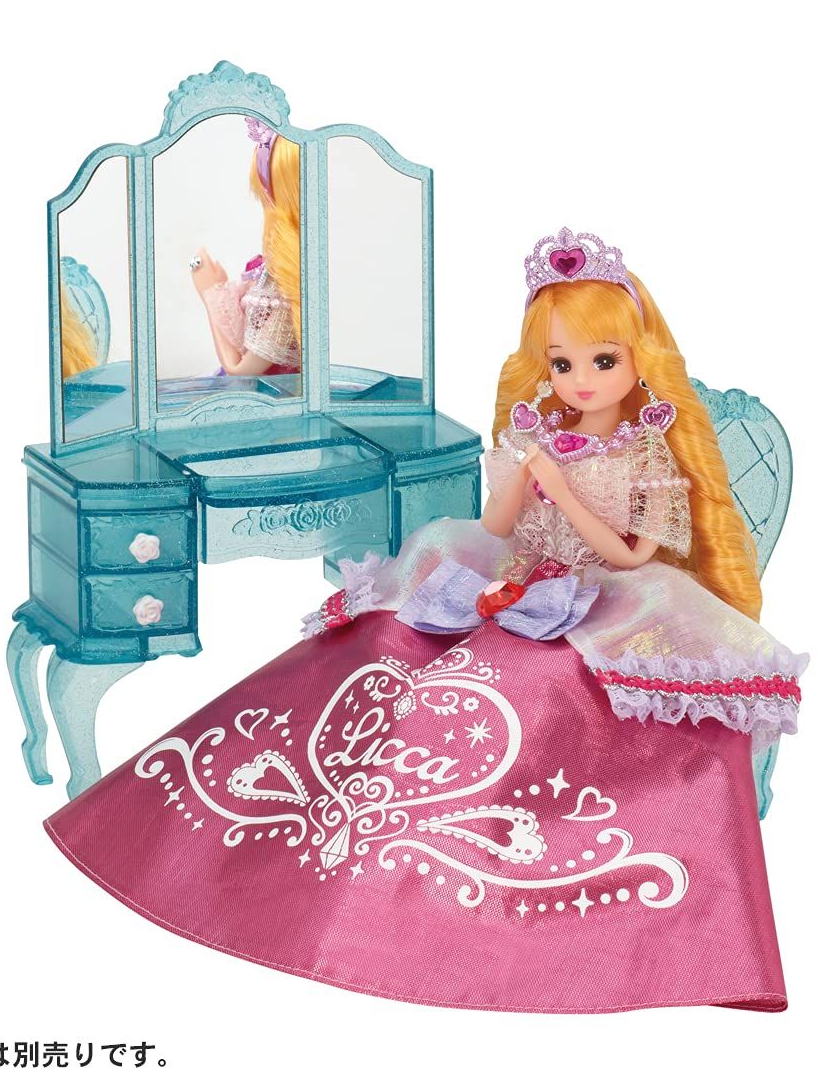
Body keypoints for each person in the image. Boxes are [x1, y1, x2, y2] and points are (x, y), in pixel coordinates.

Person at [45, 228, 805, 1013]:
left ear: (639, 360)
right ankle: (327, 852)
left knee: (518, 690)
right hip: (520, 583)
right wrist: (519, 478)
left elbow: (628, 551)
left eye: (602, 362)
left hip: (609, 601)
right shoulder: (543, 436)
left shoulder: (644, 454)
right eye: (562, 364)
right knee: (390, 647)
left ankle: (454, 898)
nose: (581, 381)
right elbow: (499, 526)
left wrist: (561, 487)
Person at [189, 118, 301, 376]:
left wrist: (209, 293)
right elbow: (246, 342)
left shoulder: (288, 284)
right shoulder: (274, 273)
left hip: (270, 396)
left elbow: (240, 370)